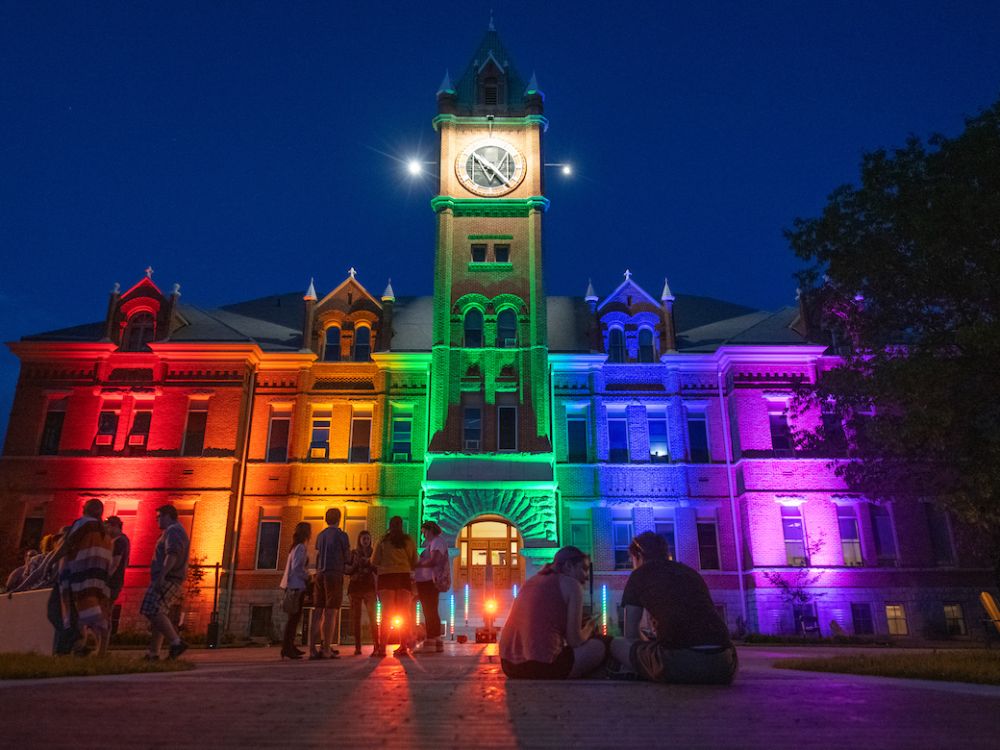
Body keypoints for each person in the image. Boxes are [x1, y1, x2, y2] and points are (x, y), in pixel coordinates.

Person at [610, 531, 737, 685]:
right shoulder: (690, 573)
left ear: (638, 556)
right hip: (725, 664)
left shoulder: (639, 575)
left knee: (616, 644)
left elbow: (630, 634)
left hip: (680, 663)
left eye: (632, 560)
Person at [499, 545, 607, 679]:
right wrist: (590, 627)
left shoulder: (531, 581)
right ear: (568, 566)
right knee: (601, 645)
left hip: (509, 667)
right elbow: (575, 640)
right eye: (584, 569)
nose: (586, 577)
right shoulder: (572, 585)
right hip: (543, 667)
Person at [47, 498, 114, 655]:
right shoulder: (104, 532)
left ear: (85, 509)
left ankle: (67, 646)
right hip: (95, 580)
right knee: (80, 615)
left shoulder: (83, 524)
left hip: (74, 577)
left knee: (57, 612)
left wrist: (50, 562)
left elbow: (67, 545)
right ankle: (78, 648)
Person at [141, 504, 191, 660]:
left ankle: (176, 642)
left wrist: (162, 575)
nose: (157, 520)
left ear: (168, 516)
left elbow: (172, 554)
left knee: (151, 609)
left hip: (168, 578)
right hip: (171, 578)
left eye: (159, 516)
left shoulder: (173, 531)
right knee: (159, 614)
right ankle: (153, 653)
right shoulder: (175, 531)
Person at [372, 516, 417, 657]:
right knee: (404, 613)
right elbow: (414, 560)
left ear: (389, 526)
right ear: (402, 526)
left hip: (386, 578)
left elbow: (374, 560)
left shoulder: (383, 540)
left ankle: (382, 648)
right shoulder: (408, 541)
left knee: (387, 613)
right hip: (403, 577)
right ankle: (403, 646)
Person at [310, 508, 350, 660]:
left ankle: (313, 649)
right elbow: (346, 556)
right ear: (339, 519)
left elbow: (317, 554)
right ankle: (326, 648)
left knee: (318, 611)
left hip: (320, 573)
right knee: (331, 611)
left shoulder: (320, 535)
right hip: (334, 573)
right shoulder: (341, 535)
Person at [413, 520, 448, 653]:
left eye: (424, 532)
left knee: (430, 609)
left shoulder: (437, 542)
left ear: (429, 530)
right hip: (426, 581)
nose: (423, 535)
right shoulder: (434, 543)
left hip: (429, 581)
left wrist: (418, 565)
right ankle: (434, 638)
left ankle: (433, 637)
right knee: (430, 609)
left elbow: (434, 560)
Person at [99, 515, 131, 655]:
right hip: (115, 581)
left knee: (104, 612)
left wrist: (104, 580)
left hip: (111, 583)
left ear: (115, 526)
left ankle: (102, 649)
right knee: (104, 612)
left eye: (107, 526)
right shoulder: (122, 541)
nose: (106, 529)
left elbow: (115, 563)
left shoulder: (119, 541)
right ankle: (101, 648)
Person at [279, 522, 311, 660]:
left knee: (294, 619)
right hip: (296, 586)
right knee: (294, 619)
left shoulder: (294, 547)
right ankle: (287, 648)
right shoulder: (300, 548)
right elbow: (297, 567)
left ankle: (290, 646)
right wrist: (308, 576)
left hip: (292, 585)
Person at [345, 530, 378, 656]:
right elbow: (347, 569)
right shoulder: (354, 553)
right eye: (363, 538)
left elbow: (377, 569)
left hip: (369, 587)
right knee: (356, 618)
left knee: (373, 617)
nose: (365, 541)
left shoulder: (374, 553)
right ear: (359, 540)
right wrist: (354, 565)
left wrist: (370, 563)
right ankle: (358, 647)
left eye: (368, 538)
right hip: (356, 587)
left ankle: (377, 645)